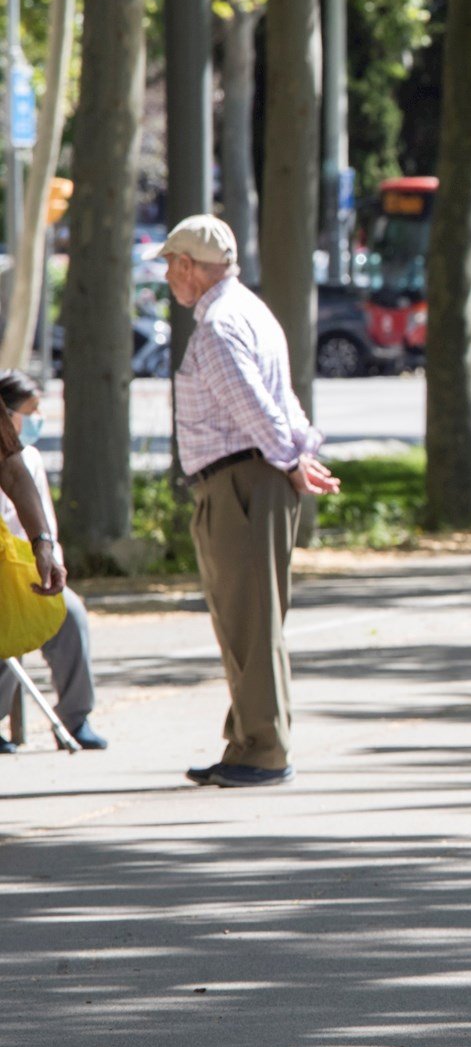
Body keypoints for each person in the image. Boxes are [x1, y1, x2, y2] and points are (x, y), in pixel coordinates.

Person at [162, 216, 340, 788]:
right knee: (251, 620)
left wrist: (291, 458)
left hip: (239, 484)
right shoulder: (249, 310)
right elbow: (281, 400)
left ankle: (262, 750)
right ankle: (248, 741)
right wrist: (300, 451)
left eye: (171, 263)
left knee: (249, 622)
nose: (167, 274)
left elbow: (254, 409)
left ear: (191, 266)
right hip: (253, 480)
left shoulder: (216, 325)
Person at [0, 373, 104, 752]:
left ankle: (77, 717)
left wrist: (44, 549)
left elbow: (12, 468)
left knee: (65, 612)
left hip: (17, 566)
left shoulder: (26, 458)